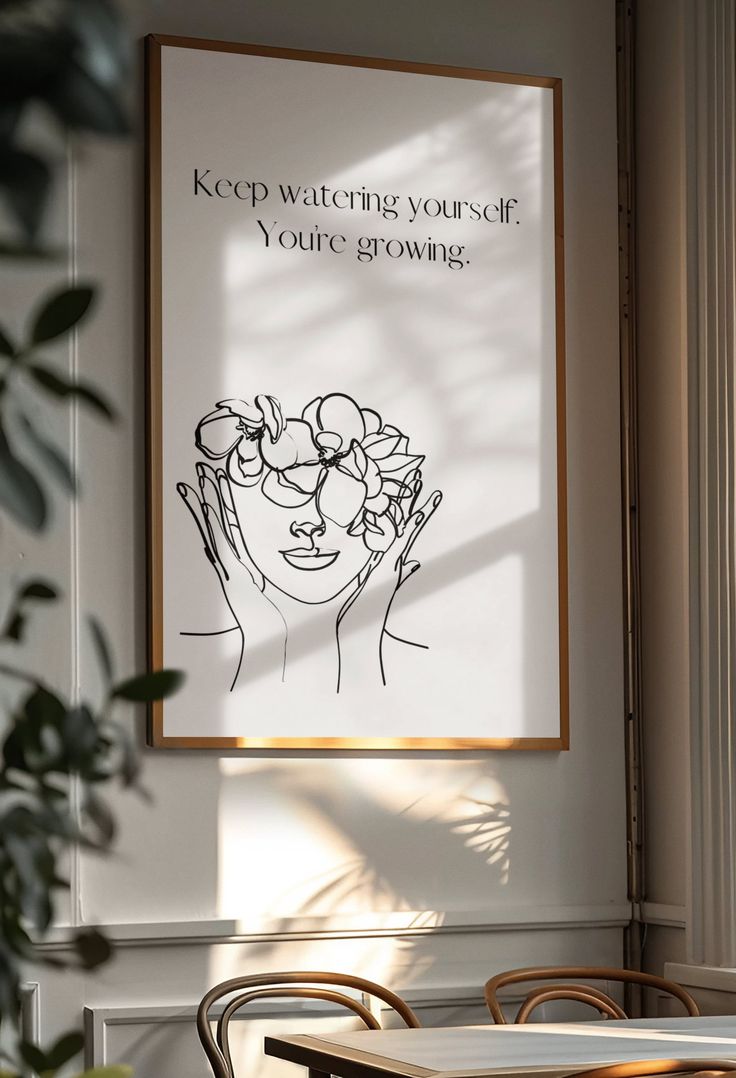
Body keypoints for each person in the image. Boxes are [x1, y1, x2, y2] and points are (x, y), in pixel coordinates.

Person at [177, 391, 442, 692]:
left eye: (339, 497)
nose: (310, 525)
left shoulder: (437, 670)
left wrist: (359, 632)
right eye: (281, 499)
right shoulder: (184, 660)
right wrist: (269, 640)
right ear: (230, 508)